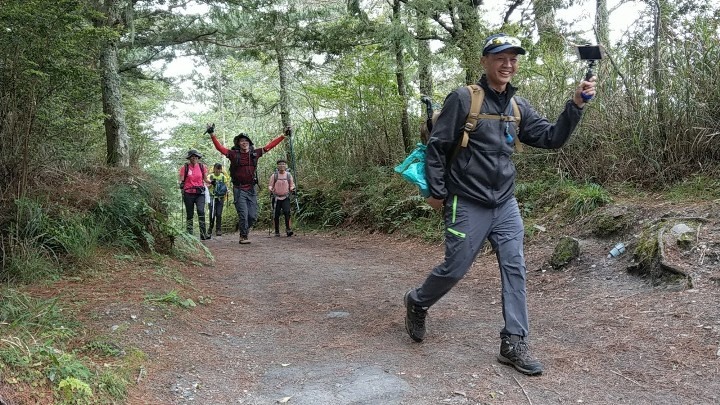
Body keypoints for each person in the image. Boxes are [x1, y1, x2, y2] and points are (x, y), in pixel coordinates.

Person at [403, 33, 597, 376]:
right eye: (500, 58)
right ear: (485, 61)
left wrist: (576, 106)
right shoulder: (464, 99)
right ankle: (417, 302)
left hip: (505, 203)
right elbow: (437, 146)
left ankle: (513, 342)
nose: (508, 64)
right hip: (467, 201)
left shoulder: (517, 107)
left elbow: (551, 138)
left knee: (514, 267)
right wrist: (437, 193)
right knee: (456, 267)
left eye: (513, 59)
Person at [208, 124, 291, 244]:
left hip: (251, 189)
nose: (244, 142)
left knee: (252, 216)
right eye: (242, 141)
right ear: (238, 143)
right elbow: (220, 148)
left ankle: (244, 228)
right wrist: (212, 134)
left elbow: (269, 146)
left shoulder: (255, 154)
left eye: (246, 141)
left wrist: (283, 135)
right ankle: (243, 236)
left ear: (249, 143)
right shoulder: (233, 154)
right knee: (243, 213)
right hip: (239, 189)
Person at [178, 149, 211, 240]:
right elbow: (181, 180)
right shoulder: (185, 168)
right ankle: (190, 235)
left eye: (196, 157)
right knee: (190, 214)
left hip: (200, 193)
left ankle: (203, 234)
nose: (194, 158)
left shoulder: (202, 167)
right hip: (188, 193)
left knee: (201, 211)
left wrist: (212, 182)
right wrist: (180, 184)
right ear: (189, 158)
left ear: (198, 158)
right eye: (192, 157)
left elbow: (205, 179)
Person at [268, 159, 296, 237]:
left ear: (285, 165)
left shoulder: (288, 175)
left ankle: (288, 229)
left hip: (285, 197)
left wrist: (292, 189)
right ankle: (277, 231)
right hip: (276, 198)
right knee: (276, 214)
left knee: (287, 213)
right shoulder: (274, 175)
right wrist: (270, 189)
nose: (282, 165)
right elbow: (270, 185)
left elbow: (291, 185)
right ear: (277, 166)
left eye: (283, 164)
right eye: (280, 164)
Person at [208, 163, 230, 237]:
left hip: (220, 197)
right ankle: (210, 228)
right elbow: (206, 187)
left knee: (219, 214)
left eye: (219, 169)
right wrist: (211, 184)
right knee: (212, 214)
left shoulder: (223, 177)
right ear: (214, 169)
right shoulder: (210, 176)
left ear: (221, 170)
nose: (218, 171)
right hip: (212, 197)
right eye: (216, 169)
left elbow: (226, 186)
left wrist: (227, 191)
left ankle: (218, 229)